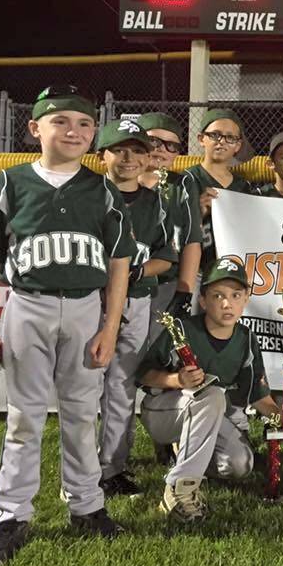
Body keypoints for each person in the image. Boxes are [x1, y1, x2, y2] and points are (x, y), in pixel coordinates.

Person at [0, 85, 136, 565]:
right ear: (34, 128)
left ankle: (86, 506)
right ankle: (12, 515)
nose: (74, 131)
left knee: (83, 413)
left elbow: (120, 263)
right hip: (28, 305)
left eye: (84, 124)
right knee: (24, 416)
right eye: (60, 121)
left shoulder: (101, 188)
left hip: (85, 307)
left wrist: (109, 327)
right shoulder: (11, 182)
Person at [135, 257, 280, 522]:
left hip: (210, 414)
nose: (227, 303)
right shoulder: (182, 329)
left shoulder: (246, 338)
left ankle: (185, 454)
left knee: (239, 465)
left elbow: (258, 397)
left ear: (246, 299)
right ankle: (178, 489)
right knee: (212, 395)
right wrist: (176, 380)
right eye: (218, 295)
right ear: (202, 301)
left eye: (236, 295)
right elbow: (143, 373)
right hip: (165, 413)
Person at [95, 119, 177, 498]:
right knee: (81, 386)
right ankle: (79, 469)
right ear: (102, 156)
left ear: (148, 159)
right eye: (119, 149)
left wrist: (135, 271)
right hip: (88, 301)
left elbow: (166, 257)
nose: (129, 158)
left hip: (136, 298)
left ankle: (113, 468)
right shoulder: (86, 195)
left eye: (138, 150)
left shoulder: (156, 203)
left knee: (121, 384)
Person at [136, 112, 203, 335]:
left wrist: (185, 291)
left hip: (166, 283)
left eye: (171, 145)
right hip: (122, 279)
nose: (162, 149)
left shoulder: (181, 184)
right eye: (154, 141)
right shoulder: (117, 181)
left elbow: (192, 239)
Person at [182, 108, 257, 279]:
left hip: (235, 271)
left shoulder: (243, 186)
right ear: (202, 139)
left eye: (230, 138)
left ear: (237, 146)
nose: (222, 142)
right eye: (215, 135)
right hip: (197, 271)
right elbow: (174, 231)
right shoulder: (188, 180)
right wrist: (198, 213)